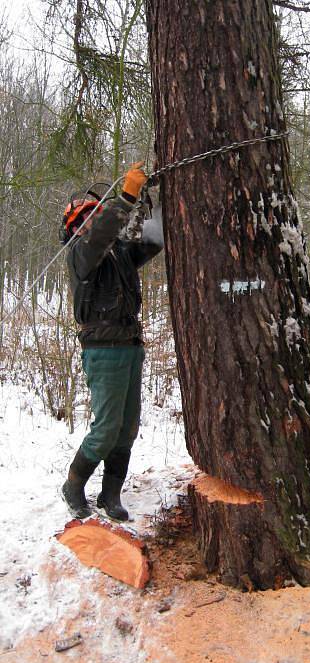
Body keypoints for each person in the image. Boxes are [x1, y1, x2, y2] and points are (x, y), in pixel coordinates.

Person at [61, 163, 164, 521]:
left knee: (127, 427)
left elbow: (154, 240)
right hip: (103, 351)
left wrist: (160, 198)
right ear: (76, 228)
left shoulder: (118, 254)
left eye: (95, 215)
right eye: (86, 219)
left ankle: (110, 494)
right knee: (105, 428)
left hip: (130, 346)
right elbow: (104, 232)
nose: (93, 222)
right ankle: (73, 487)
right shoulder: (80, 254)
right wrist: (125, 198)